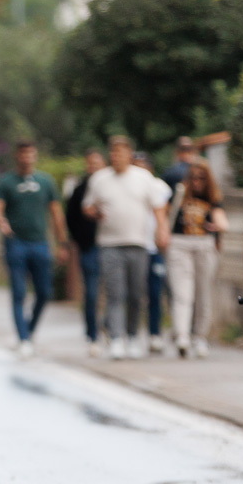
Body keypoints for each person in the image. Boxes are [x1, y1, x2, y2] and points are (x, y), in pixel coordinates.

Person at [83, 136, 170, 360]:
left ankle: (132, 335)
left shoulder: (143, 178)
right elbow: (88, 206)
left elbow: (158, 207)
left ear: (129, 155)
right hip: (109, 244)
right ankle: (116, 338)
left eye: (121, 153)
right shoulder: (100, 179)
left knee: (136, 294)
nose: (116, 157)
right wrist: (95, 213)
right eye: (113, 153)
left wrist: (162, 229)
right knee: (115, 293)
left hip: (138, 243)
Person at [0, 140, 69, 358]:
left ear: (35, 155)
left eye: (30, 153)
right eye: (23, 153)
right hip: (16, 242)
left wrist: (62, 243)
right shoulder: (6, 182)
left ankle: (30, 331)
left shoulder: (45, 182)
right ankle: (23, 338)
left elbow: (56, 213)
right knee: (19, 292)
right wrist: (0, 221)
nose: (26, 157)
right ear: (17, 156)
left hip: (40, 243)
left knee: (44, 292)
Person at [167, 158, 228, 358]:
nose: (196, 181)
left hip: (204, 244)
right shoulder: (179, 194)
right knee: (182, 293)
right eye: (193, 177)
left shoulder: (213, 197)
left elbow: (222, 221)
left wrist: (217, 226)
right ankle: (182, 336)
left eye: (201, 177)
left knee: (204, 294)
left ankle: (200, 337)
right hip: (179, 243)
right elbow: (166, 214)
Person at [65, 148, 107, 356]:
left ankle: (109, 327)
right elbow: (70, 217)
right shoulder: (80, 190)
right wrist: (78, 240)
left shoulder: (111, 187)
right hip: (89, 247)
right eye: (90, 164)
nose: (93, 168)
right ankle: (92, 334)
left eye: (96, 164)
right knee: (91, 293)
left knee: (115, 292)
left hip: (111, 246)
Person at [135, 151, 172, 354]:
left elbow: (165, 212)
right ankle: (127, 332)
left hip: (153, 247)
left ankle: (154, 333)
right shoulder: (126, 185)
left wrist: (163, 233)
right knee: (131, 292)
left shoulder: (159, 187)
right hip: (134, 244)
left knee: (155, 293)